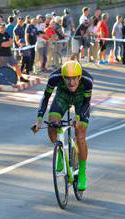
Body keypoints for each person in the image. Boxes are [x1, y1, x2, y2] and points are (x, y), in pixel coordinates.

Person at [32, 61, 93, 191]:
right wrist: (39, 120)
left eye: (75, 79)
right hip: (62, 96)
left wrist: (78, 118)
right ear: (63, 77)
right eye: (68, 79)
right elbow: (45, 98)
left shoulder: (87, 80)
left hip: (81, 100)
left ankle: (82, 173)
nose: (71, 83)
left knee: (80, 135)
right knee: (52, 123)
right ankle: (59, 152)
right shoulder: (54, 77)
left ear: (80, 77)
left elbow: (87, 103)